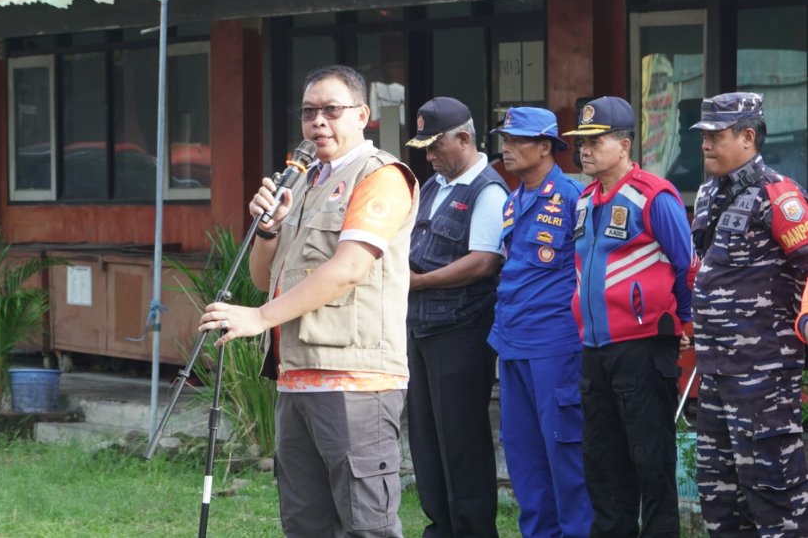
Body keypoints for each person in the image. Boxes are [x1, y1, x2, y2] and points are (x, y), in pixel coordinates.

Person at [198, 64, 419, 537]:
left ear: (362, 114)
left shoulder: (380, 175)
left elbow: (349, 268)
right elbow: (264, 277)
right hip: (296, 378)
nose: (318, 121)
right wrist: (270, 228)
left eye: (331, 110)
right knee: (305, 524)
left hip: (355, 380)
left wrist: (259, 318)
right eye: (309, 112)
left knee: (366, 525)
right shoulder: (300, 181)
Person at [561, 96, 693, 537]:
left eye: (595, 141)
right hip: (594, 353)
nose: (585, 150)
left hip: (643, 349)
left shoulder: (653, 196)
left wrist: (684, 325)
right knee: (602, 466)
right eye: (581, 141)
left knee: (651, 463)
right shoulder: (582, 201)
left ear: (625, 144)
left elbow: (685, 265)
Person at [690, 92, 808, 537]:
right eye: (703, 136)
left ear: (748, 137)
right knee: (720, 499)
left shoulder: (778, 195)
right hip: (716, 372)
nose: (706, 145)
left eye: (717, 136)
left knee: (774, 494)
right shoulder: (707, 194)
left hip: (764, 377)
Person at [404, 97, 507, 538]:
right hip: (420, 328)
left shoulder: (487, 190)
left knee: (461, 440)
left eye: (434, 146)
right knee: (426, 438)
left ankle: (471, 530)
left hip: (460, 332)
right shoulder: (432, 186)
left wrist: (419, 283)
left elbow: (484, 262)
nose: (428, 156)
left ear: (463, 138)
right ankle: (440, 528)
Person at [487, 106, 591, 538]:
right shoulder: (515, 199)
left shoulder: (572, 196)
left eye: (516, 141)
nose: (506, 149)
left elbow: (589, 269)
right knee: (524, 459)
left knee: (565, 455)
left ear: (545, 147)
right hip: (512, 343)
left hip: (555, 345)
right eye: (505, 140)